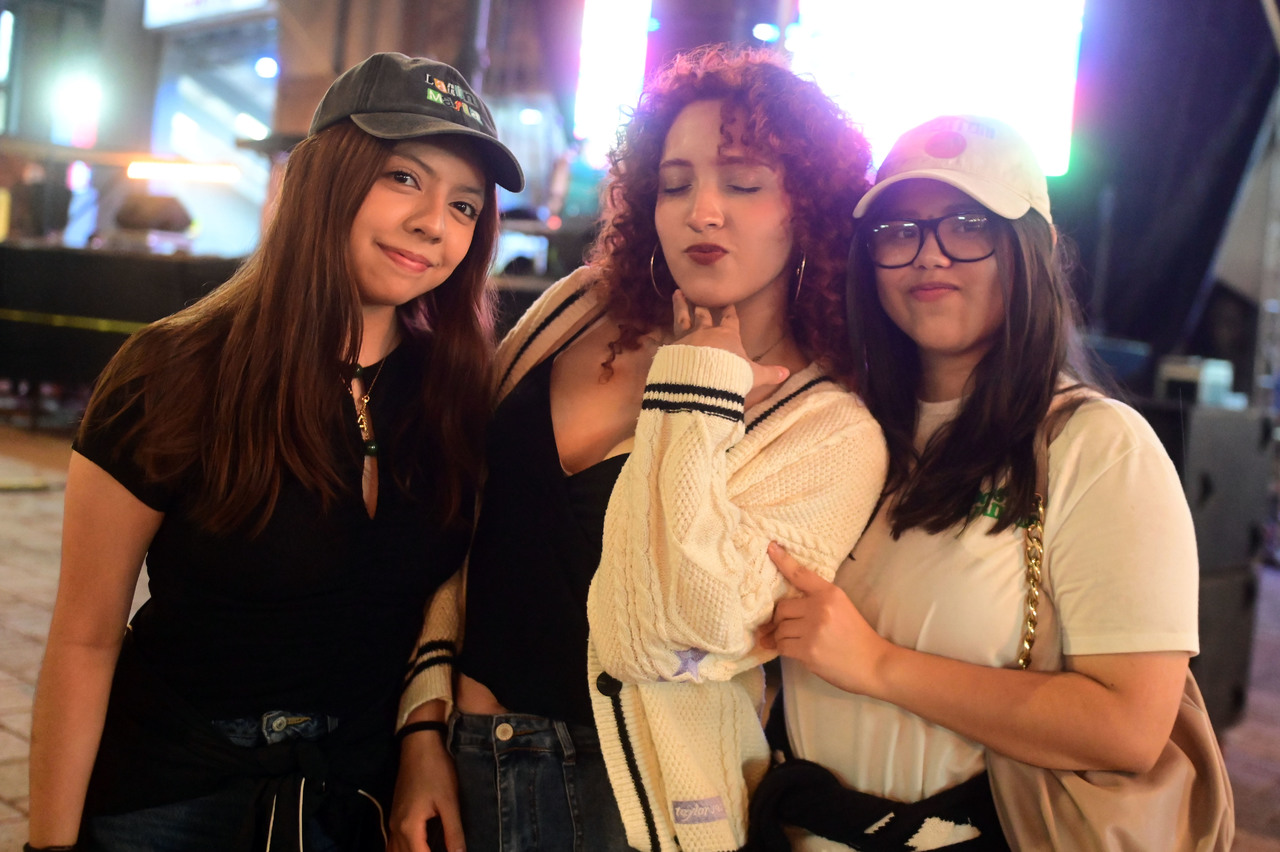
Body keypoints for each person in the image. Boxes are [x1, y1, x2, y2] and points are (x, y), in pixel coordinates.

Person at [390, 45, 888, 852]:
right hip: (467, 760)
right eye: (677, 183)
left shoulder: (831, 429)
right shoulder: (580, 308)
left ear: (811, 209)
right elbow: (465, 523)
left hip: (638, 802)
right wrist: (423, 722)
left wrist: (697, 393)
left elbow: (686, 632)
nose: (703, 211)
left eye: (744, 184)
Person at [26, 51, 523, 852]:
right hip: (171, 787)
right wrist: (48, 845)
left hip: (356, 794)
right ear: (324, 177)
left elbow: (450, 601)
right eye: (403, 177)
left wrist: (421, 739)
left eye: (464, 205)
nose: (435, 222)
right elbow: (85, 637)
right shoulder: (175, 371)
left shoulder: (453, 390)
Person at [757, 115, 1200, 850]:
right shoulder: (843, 431)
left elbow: (1128, 728)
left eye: (969, 225)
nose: (929, 255)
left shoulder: (1096, 446)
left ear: (1036, 249)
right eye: (898, 231)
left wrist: (879, 665)